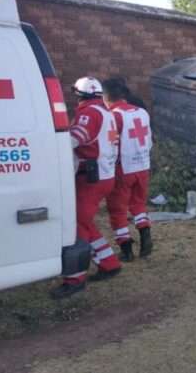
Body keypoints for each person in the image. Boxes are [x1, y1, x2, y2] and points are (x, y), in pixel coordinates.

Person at [51, 77, 122, 299]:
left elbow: (75, 139)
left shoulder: (88, 113)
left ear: (79, 95)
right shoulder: (105, 112)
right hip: (104, 175)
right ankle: (109, 262)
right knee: (85, 221)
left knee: (77, 224)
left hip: (90, 177)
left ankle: (75, 278)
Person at [102, 78, 153, 261]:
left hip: (123, 168)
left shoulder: (113, 116)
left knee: (118, 210)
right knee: (138, 204)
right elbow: (148, 140)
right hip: (143, 165)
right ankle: (146, 237)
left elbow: (110, 144)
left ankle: (126, 250)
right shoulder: (142, 112)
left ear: (106, 97)